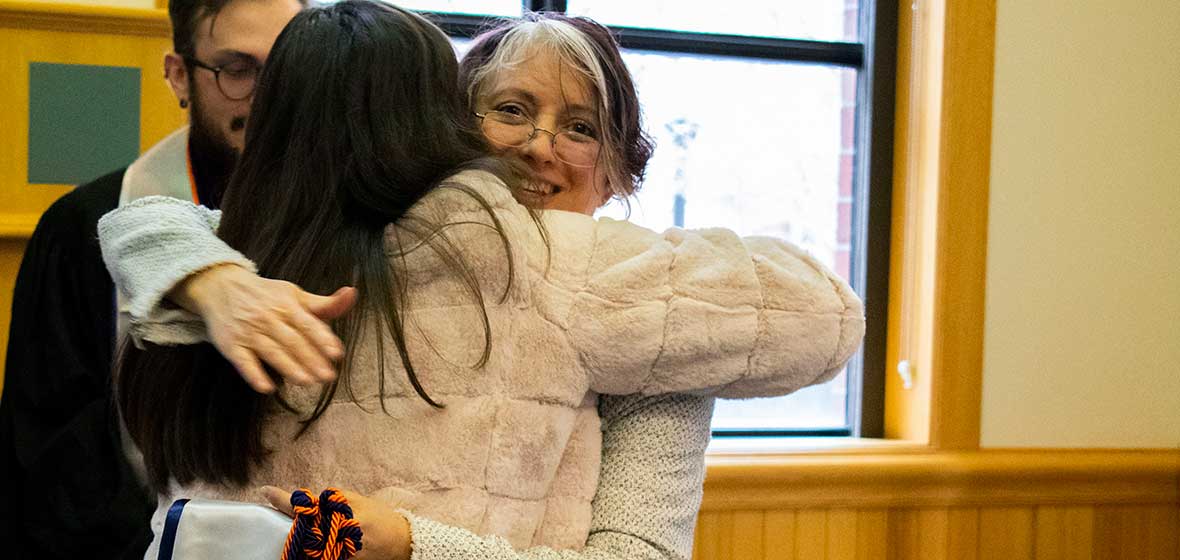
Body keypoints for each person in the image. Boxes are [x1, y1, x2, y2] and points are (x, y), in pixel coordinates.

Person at [100, 3, 865, 560]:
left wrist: (411, 542)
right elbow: (144, 223)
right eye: (509, 110)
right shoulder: (285, 263)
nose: (538, 147)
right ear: (446, 129)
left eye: (580, 127)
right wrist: (210, 281)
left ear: (620, 166)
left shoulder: (656, 316)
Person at [0, 0, 303, 557]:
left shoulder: (343, 222)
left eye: (286, 67)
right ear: (180, 76)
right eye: (238, 69)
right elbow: (48, 450)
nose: (268, 94)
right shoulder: (83, 228)